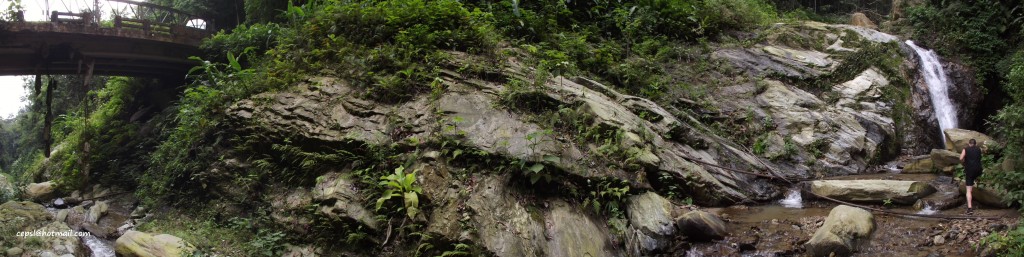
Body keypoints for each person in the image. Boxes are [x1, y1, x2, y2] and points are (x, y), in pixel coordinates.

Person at [960, 139, 983, 215]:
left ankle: (970, 208)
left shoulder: (965, 149)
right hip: (978, 170)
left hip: (969, 171)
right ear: (975, 144)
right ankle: (978, 182)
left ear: (969, 144)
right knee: (977, 176)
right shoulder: (979, 149)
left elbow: (961, 158)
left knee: (969, 190)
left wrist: (964, 161)